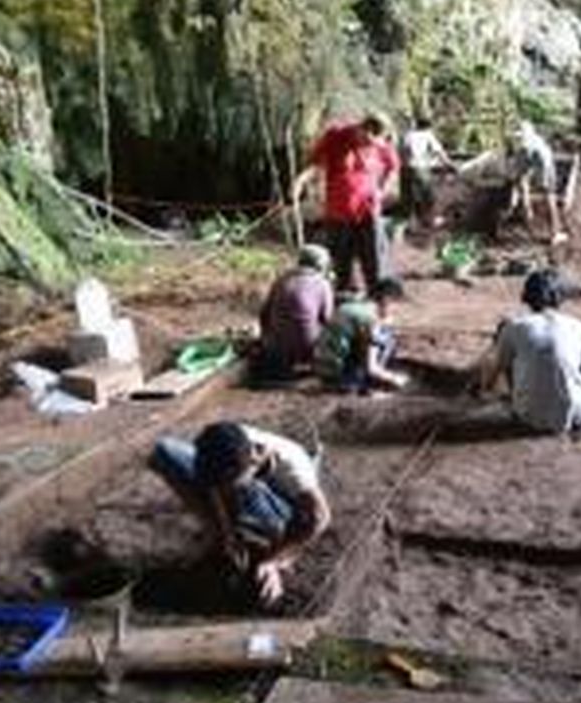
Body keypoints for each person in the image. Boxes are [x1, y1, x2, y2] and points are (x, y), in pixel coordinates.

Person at [150, 421, 331, 606]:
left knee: (248, 490)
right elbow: (216, 486)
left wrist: (273, 561)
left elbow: (320, 518)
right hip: (239, 475)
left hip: (284, 508)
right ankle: (219, 533)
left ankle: (268, 538)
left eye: (227, 482)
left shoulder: (293, 471)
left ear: (253, 459)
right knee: (163, 452)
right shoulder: (228, 441)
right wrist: (227, 532)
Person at [479, 269, 581, 433]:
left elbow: (493, 372)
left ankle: (522, 397)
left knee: (511, 345)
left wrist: (486, 387)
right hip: (573, 417)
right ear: (561, 297)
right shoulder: (575, 325)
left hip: (525, 416)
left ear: (527, 297)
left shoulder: (514, 327)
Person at [293, 113, 400, 293]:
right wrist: (300, 181)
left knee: (374, 257)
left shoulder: (382, 143)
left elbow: (392, 168)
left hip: (368, 209)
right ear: (361, 128)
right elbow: (315, 164)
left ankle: (378, 299)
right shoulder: (336, 136)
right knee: (341, 258)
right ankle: (343, 298)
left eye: (375, 142)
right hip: (338, 211)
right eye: (366, 140)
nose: (369, 144)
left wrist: (382, 191)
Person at [315, 278, 409, 393]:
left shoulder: (352, 305)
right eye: (395, 306)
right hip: (338, 375)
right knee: (386, 337)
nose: (395, 311)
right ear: (387, 300)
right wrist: (395, 379)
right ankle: (358, 384)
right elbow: (371, 368)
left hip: (321, 367)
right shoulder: (371, 320)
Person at [256, 245, 334, 379]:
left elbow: (264, 313)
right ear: (320, 264)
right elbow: (328, 319)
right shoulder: (322, 284)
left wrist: (265, 337)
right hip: (308, 349)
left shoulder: (281, 280)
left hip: (276, 348)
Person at [508, 121, 566, 245]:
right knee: (522, 182)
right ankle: (527, 213)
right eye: (517, 136)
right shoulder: (523, 146)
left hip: (542, 163)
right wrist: (522, 200)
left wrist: (539, 182)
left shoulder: (537, 148)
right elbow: (519, 174)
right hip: (533, 159)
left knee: (548, 196)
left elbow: (537, 168)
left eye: (520, 136)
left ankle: (554, 232)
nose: (517, 138)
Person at [400, 116, 455, 230]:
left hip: (406, 169)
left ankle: (411, 223)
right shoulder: (427, 135)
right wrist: (450, 164)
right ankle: (430, 221)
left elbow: (403, 151)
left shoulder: (408, 135)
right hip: (420, 168)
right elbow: (440, 152)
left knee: (410, 197)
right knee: (428, 195)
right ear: (428, 127)